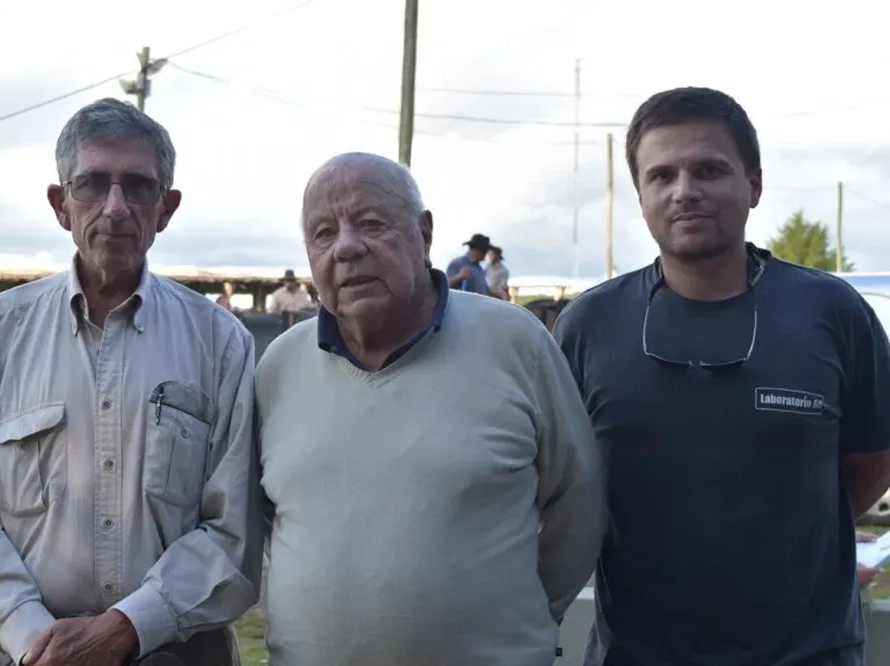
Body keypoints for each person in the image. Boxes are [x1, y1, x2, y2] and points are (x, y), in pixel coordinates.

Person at [0, 98, 263, 666]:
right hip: (24, 653)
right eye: (93, 184)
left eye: (139, 187)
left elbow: (234, 529)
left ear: (166, 208)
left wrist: (128, 627)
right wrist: (34, 638)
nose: (116, 207)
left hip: (176, 652)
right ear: (60, 204)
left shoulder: (220, 343)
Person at [553, 86, 890, 666]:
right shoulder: (590, 324)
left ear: (753, 184)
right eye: (662, 176)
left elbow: (873, 460)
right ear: (640, 194)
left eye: (709, 170)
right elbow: (560, 485)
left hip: (809, 654)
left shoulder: (833, 313)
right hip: (637, 654)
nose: (685, 192)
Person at [255, 151, 604, 666]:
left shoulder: (515, 342)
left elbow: (579, 503)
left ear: (424, 233)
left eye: (372, 223)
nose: (347, 247)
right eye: (323, 233)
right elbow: (267, 522)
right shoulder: (279, 365)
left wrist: (516, 619)